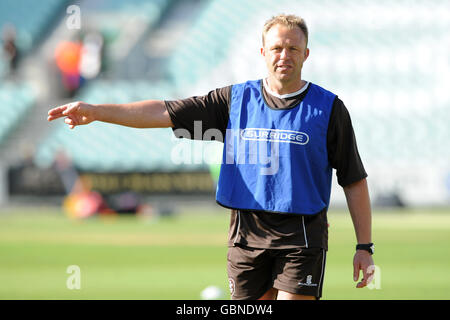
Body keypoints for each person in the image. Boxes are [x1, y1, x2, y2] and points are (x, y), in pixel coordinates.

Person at [47, 14, 375, 300]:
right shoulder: (234, 101)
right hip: (246, 236)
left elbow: (353, 179)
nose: (284, 55)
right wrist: (96, 110)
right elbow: (164, 111)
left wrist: (364, 247)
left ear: (306, 53)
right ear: (263, 52)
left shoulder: (329, 108)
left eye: (292, 48)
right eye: (276, 48)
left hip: (302, 236)